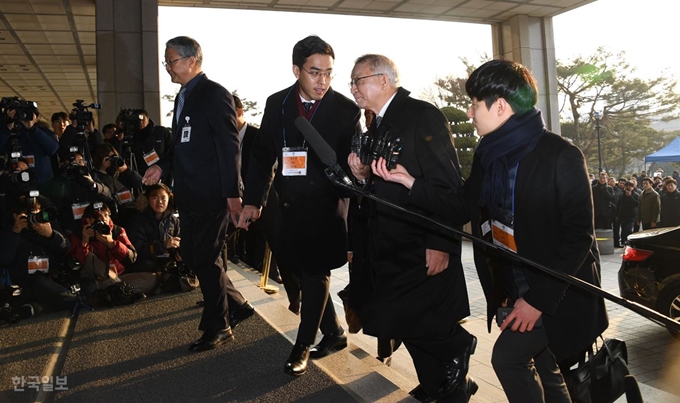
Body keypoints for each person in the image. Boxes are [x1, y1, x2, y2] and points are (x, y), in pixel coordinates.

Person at [462, 59, 608, 403]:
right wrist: (408, 182)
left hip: (557, 293)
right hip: (514, 286)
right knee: (546, 367)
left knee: (506, 359)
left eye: (474, 103)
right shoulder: (487, 154)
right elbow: (463, 206)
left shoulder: (560, 154)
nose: (469, 113)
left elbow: (578, 237)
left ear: (499, 106)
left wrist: (536, 301)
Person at [346, 54, 476, 402]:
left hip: (420, 245)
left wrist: (441, 243)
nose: (353, 88)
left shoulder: (422, 116)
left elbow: (448, 188)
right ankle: (444, 385)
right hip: (388, 245)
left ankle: (457, 350)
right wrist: (360, 178)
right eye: (353, 82)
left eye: (358, 80)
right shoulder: (376, 125)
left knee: (411, 319)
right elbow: (380, 189)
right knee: (401, 321)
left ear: (384, 80)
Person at [237, 35, 359, 377]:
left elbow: (352, 167)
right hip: (286, 205)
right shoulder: (277, 104)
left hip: (327, 207)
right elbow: (261, 156)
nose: (323, 81)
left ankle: (302, 344)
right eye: (315, 72)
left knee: (317, 273)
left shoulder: (346, 111)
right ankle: (334, 332)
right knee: (302, 271)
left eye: (329, 73)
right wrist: (253, 202)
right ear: (296, 70)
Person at [143, 36, 253, 352]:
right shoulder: (183, 96)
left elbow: (229, 146)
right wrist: (162, 167)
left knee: (205, 256)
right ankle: (236, 304)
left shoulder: (214, 94)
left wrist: (233, 194)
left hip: (213, 193)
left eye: (172, 61)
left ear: (192, 61)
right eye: (166, 61)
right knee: (193, 254)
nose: (168, 67)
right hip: (188, 193)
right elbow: (180, 146)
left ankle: (218, 326)